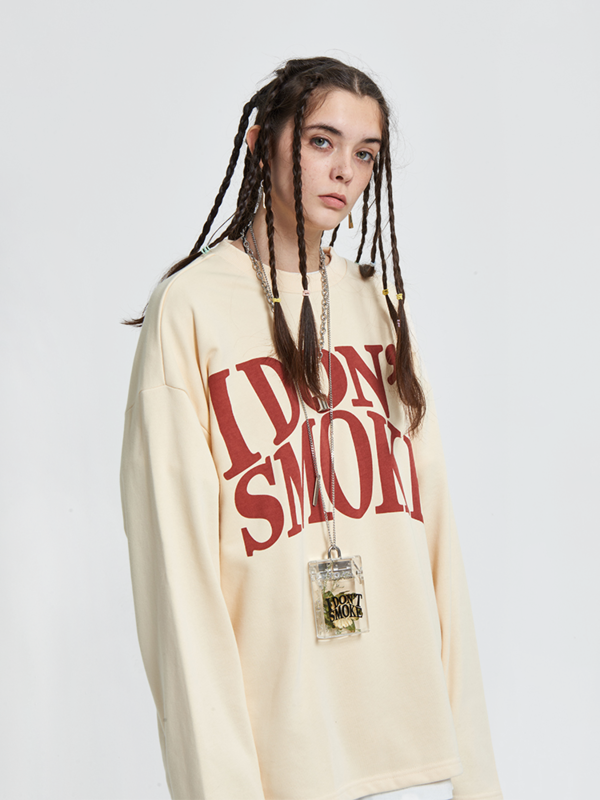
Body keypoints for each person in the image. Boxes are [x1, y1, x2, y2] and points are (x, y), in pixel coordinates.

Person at [120, 57, 503, 800]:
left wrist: (477, 775)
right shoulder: (191, 306)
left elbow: (434, 524)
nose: (345, 171)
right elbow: (176, 565)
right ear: (262, 143)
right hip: (276, 735)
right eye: (322, 141)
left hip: (398, 728)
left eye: (366, 154)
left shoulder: (377, 302)